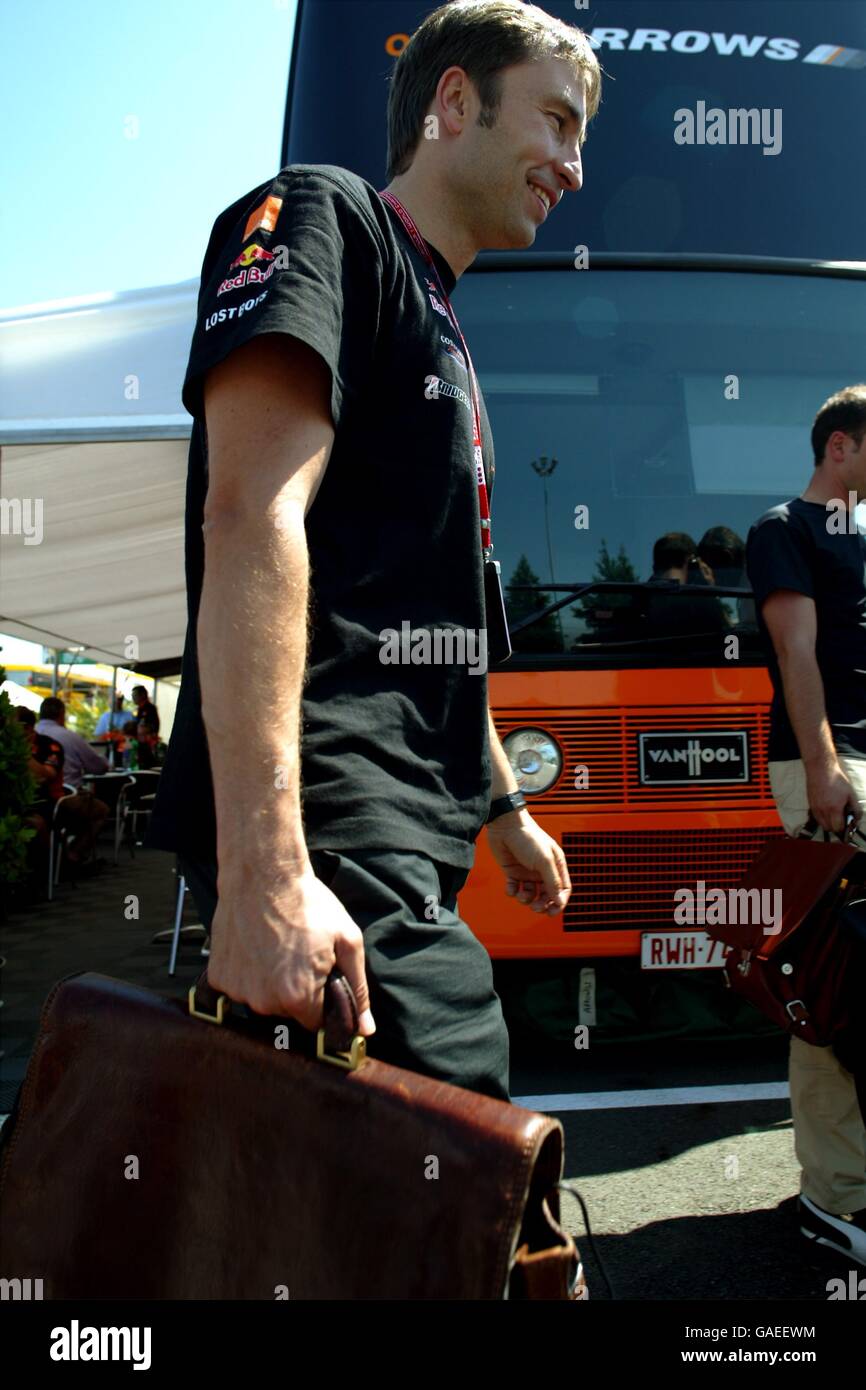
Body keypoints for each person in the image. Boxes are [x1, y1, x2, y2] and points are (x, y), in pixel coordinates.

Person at [147, 0, 600, 1100]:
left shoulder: (445, 327)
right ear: (455, 102)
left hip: (406, 841)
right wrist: (266, 872)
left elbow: (441, 628)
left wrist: (503, 812)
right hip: (334, 823)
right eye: (554, 121)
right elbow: (249, 513)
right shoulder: (318, 214)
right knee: (463, 1185)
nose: (572, 168)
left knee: (371, 1211)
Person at [746, 382, 866, 1267]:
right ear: (841, 446)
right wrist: (824, 768)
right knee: (834, 979)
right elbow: (796, 652)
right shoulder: (781, 529)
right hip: (834, 769)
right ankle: (837, 1198)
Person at [35, 696, 110, 868]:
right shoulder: (67, 737)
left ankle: (61, 856)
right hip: (64, 797)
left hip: (39, 797)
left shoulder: (34, 738)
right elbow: (99, 766)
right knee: (101, 811)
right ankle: (73, 855)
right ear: (62, 714)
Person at [130, 685, 160, 768]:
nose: (133, 698)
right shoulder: (139, 709)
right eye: (132, 696)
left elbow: (154, 726)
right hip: (140, 744)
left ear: (142, 695)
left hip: (148, 744)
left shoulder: (150, 708)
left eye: (135, 695)